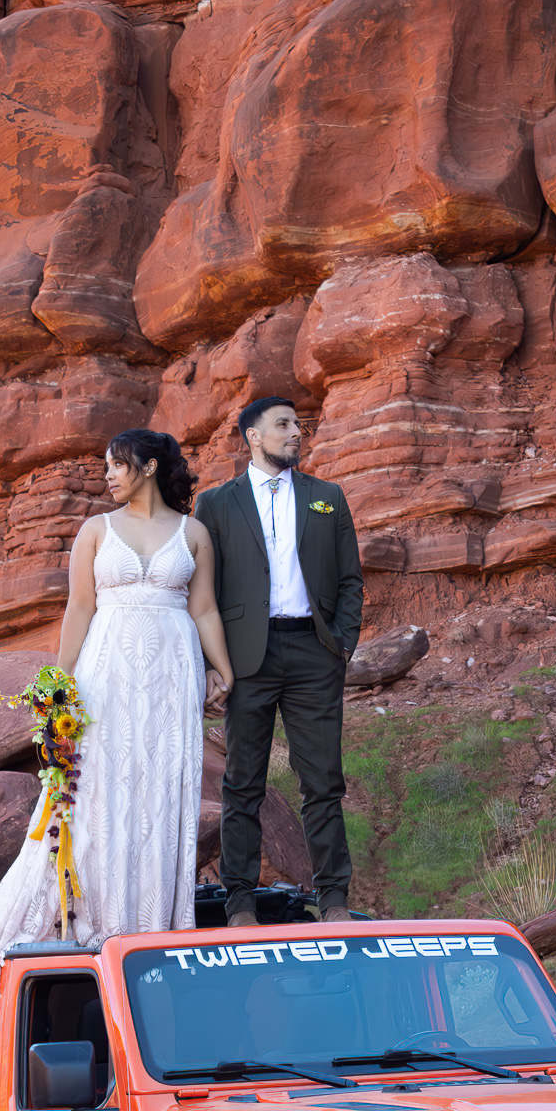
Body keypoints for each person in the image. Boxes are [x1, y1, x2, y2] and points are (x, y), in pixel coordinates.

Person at [0, 431, 233, 1111]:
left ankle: (149, 927)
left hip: (170, 676)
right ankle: (88, 916)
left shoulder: (194, 533)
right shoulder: (94, 533)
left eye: (114, 466)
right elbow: (78, 611)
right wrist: (57, 686)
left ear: (147, 465)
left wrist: (224, 671)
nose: (106, 478)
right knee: (97, 794)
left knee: (159, 796)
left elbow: (204, 609)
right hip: (107, 675)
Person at [195, 397, 363, 926]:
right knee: (242, 781)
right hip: (247, 657)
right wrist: (210, 664)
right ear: (252, 436)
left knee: (323, 780)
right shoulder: (216, 504)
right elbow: (204, 591)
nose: (296, 433)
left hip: (314, 653)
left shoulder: (327, 497)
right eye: (284, 425)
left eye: (298, 425)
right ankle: (240, 901)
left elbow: (350, 579)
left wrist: (342, 643)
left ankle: (333, 897)